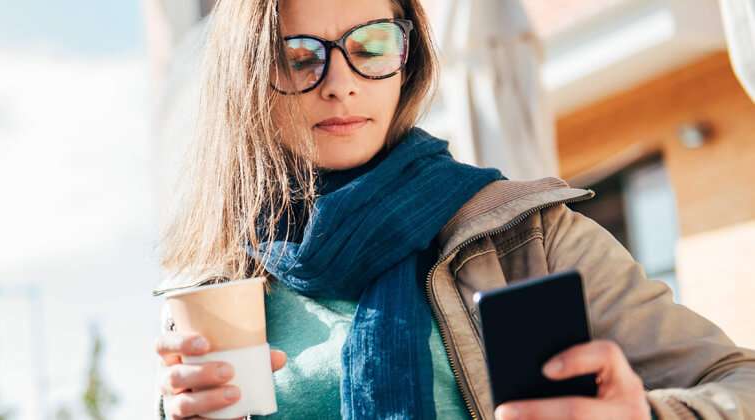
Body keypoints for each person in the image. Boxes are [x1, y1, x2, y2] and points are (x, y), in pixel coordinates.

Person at [150, 0, 755, 419]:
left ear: (406, 57)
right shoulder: (219, 285)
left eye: (371, 44)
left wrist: (647, 413)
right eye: (300, 56)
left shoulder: (525, 236)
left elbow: (739, 383)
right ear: (249, 77)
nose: (341, 82)